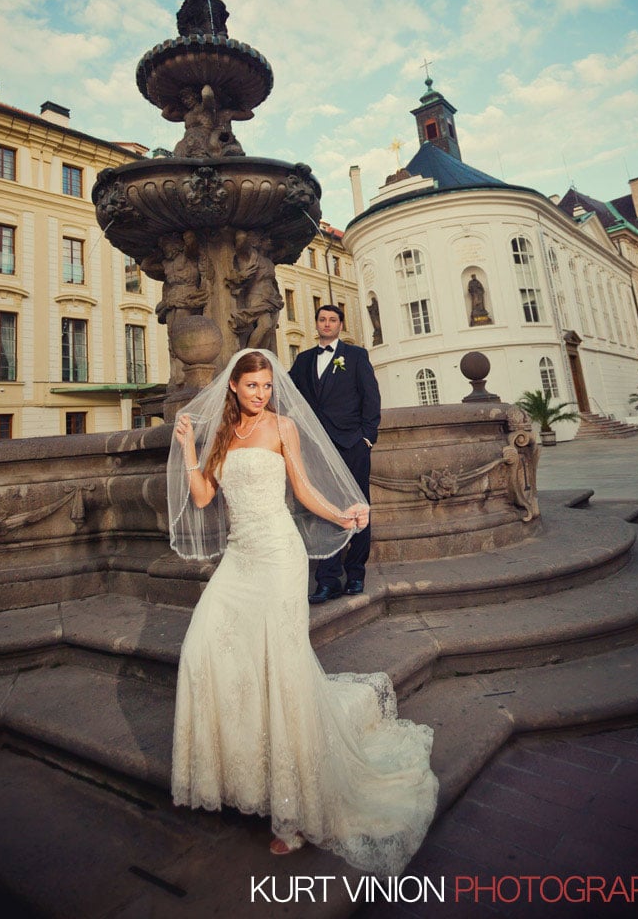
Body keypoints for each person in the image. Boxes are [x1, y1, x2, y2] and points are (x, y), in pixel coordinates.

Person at [168, 348, 437, 874]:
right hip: (239, 560)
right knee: (202, 648)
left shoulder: (284, 428)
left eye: (266, 386)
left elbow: (304, 490)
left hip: (278, 556)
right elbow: (202, 498)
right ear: (233, 388)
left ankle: (290, 814)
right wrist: (186, 450)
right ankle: (236, 776)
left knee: (279, 667)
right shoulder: (220, 435)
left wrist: (343, 515)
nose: (261, 394)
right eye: (252, 387)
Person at [289, 305, 381, 603]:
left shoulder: (355, 357)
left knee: (358, 509)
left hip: (351, 444)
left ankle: (355, 575)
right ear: (316, 324)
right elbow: (286, 394)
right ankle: (327, 580)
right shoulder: (303, 361)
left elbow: (371, 397)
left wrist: (367, 438)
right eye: (322, 319)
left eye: (332, 320)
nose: (326, 324)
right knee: (322, 509)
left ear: (340, 324)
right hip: (317, 449)